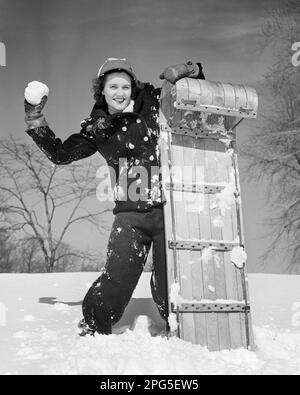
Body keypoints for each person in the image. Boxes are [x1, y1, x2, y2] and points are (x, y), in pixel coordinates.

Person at [24, 58, 205, 336]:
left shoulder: (156, 101)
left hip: (172, 209)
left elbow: (196, 99)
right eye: (113, 87)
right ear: (102, 91)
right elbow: (60, 154)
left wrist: (191, 72)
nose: (120, 92)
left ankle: (182, 330)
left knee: (169, 282)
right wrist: (35, 119)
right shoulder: (99, 128)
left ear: (132, 88)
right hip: (131, 213)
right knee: (117, 277)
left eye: (124, 86)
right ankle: (94, 328)